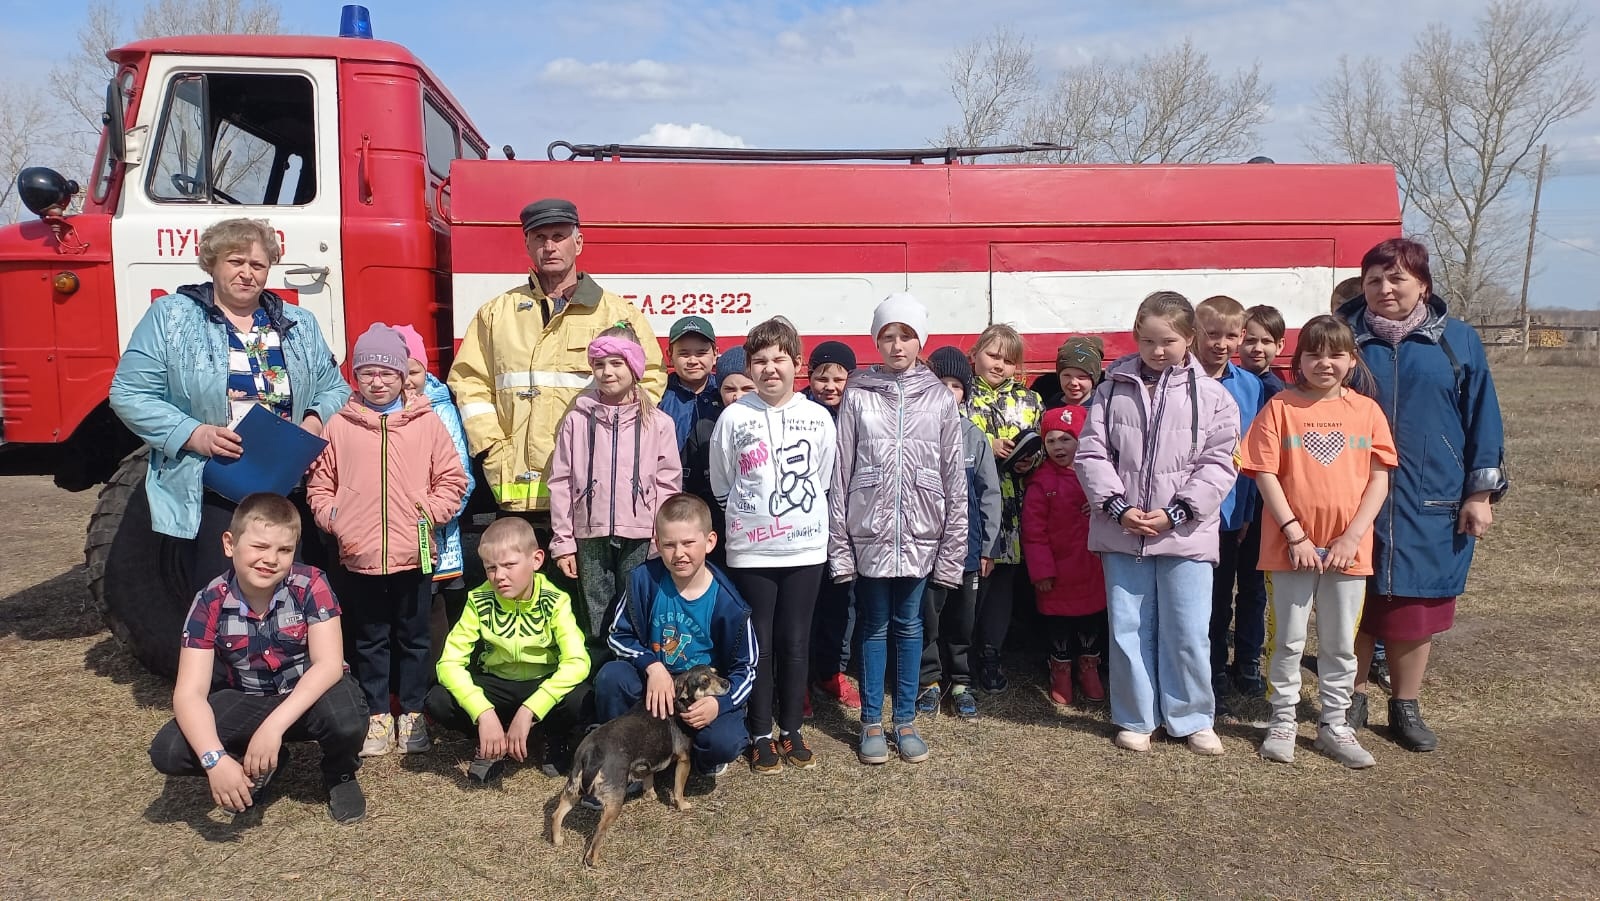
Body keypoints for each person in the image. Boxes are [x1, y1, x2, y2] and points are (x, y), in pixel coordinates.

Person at [108, 217, 349, 600]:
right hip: (214, 483)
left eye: (257, 265)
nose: (247, 274)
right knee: (223, 599)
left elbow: (335, 386)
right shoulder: (172, 317)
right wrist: (193, 434)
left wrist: (315, 420)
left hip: (287, 485)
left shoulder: (299, 323)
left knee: (291, 596)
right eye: (236, 261)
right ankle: (222, 661)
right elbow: (129, 392)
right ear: (213, 262)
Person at [1339, 238, 1506, 752]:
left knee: (1415, 603)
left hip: (1430, 493)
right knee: (1353, 598)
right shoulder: (1344, 339)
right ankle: (1351, 698)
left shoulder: (1457, 340)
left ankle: (1405, 705)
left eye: (1396, 280)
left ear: (1423, 285)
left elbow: (1483, 417)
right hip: (1351, 493)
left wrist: (1480, 493)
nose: (1385, 289)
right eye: (1374, 280)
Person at [1075, 290, 1240, 756]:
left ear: (1190, 338)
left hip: (1186, 533)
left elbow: (1220, 462)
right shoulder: (1111, 389)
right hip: (1122, 531)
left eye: (1168, 340)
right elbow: (1091, 452)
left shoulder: (1214, 397)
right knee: (1129, 628)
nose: (1157, 350)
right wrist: (1117, 507)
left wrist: (1177, 512)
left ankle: (1191, 715)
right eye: (1147, 341)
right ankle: (1136, 716)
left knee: (1187, 628)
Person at [148, 493, 367, 824]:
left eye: (284, 550)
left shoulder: (311, 583)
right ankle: (253, 765)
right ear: (229, 544)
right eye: (259, 547)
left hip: (309, 694)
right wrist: (215, 760)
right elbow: (189, 693)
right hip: (251, 698)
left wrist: (273, 727)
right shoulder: (209, 601)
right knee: (169, 750)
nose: (271, 559)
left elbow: (328, 665)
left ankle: (340, 772)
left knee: (347, 719)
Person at [306, 324, 469, 757]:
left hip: (413, 554)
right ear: (355, 377)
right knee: (368, 636)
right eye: (367, 373)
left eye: (387, 373)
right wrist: (333, 518)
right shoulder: (339, 424)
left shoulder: (426, 423)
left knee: (414, 637)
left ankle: (413, 712)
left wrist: (429, 512)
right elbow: (320, 483)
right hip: (358, 556)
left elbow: (452, 478)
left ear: (403, 376)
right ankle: (377, 713)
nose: (377, 381)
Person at [1242, 315, 1396, 768]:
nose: (1324, 363)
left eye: (1335, 354)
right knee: (1288, 639)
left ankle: (1334, 723)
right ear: (1299, 359)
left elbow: (1379, 480)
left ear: (1351, 360)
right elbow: (1264, 473)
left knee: (1339, 642)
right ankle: (1283, 718)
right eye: (1314, 353)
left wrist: (1352, 537)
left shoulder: (1366, 412)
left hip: (1350, 551)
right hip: (1291, 549)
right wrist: (1295, 534)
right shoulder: (1281, 408)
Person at [448, 198, 665, 513]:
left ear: (578, 242)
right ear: (527, 244)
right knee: (523, 564)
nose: (549, 246)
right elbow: (469, 382)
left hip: (593, 487)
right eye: (540, 237)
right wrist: (491, 446)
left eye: (559, 236)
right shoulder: (496, 313)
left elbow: (650, 377)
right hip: (517, 486)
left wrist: (613, 443)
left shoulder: (617, 313)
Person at [830, 294, 968, 765]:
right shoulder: (858, 392)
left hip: (920, 533)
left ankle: (904, 720)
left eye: (906, 335)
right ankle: (872, 720)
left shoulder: (938, 397)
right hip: (868, 530)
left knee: (911, 626)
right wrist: (840, 548)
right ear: (876, 340)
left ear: (920, 340)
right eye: (887, 335)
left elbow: (954, 477)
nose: (896, 344)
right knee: (873, 626)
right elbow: (840, 472)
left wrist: (952, 551)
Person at [710, 317, 837, 773]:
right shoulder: (733, 416)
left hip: (805, 549)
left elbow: (822, 480)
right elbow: (722, 482)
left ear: (796, 364)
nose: (769, 369)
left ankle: (792, 729)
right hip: (751, 549)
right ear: (749, 366)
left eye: (779, 359)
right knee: (758, 642)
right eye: (759, 361)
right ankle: (760, 731)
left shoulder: (818, 416)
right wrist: (751, 519)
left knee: (795, 640)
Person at [597, 493, 758, 778]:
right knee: (613, 677)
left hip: (701, 689)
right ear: (657, 544)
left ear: (709, 542)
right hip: (656, 683)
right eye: (669, 545)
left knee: (723, 741)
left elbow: (747, 668)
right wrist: (652, 665)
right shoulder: (643, 580)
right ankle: (623, 757)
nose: (678, 553)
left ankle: (700, 762)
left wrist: (718, 704)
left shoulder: (729, 603)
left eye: (688, 543)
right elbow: (616, 635)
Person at [547, 326, 682, 660]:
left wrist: (659, 536)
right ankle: (598, 684)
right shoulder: (576, 420)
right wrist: (563, 541)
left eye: (616, 363)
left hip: (640, 537)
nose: (607, 372)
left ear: (634, 367)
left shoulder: (659, 423)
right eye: (599, 364)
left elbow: (668, 483)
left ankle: (636, 679)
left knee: (638, 612)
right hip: (589, 534)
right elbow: (561, 480)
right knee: (595, 617)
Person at [425, 517, 592, 783]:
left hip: (541, 683)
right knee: (438, 699)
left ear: (536, 560)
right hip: (496, 686)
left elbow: (577, 661)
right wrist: (482, 711)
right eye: (490, 568)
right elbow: (449, 663)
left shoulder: (556, 600)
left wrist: (531, 708)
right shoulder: (478, 599)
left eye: (509, 565)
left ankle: (550, 733)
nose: (499, 576)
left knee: (581, 698)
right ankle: (492, 734)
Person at [917, 346, 1001, 720]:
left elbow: (989, 494)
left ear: (965, 392)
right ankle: (929, 682)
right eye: (940, 383)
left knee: (962, 620)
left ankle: (963, 681)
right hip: (925, 549)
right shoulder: (916, 434)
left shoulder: (974, 437)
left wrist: (987, 547)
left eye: (955, 385)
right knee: (927, 619)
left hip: (966, 551)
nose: (948, 390)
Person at [1195, 295, 1268, 702]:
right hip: (1187, 510)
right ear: (1195, 335)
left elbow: (1249, 452)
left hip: (1229, 511)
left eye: (1230, 335)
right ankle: (1198, 668)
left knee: (1222, 596)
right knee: (1197, 598)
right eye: (1211, 334)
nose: (1220, 344)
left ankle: (1217, 669)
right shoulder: (1179, 379)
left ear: (1241, 337)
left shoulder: (1251, 386)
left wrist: (1244, 513)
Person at [966, 323, 1045, 693]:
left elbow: (1045, 444)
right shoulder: (960, 395)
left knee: (1002, 585)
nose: (999, 365)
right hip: (973, 504)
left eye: (1008, 361)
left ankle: (991, 653)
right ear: (975, 355)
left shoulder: (1030, 401)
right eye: (992, 355)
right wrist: (987, 444)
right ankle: (961, 655)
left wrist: (1033, 458)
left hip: (1015, 504)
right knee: (972, 582)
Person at [1022, 405, 1108, 707]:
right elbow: (1034, 532)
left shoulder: (1097, 477)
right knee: (1059, 626)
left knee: (1091, 623)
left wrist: (1099, 506)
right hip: (1057, 573)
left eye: (1066, 439)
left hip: (1092, 567)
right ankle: (1060, 670)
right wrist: (1041, 571)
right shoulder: (1042, 483)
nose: (1059, 447)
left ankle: (1089, 669)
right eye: (1051, 441)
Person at [392, 323, 476, 624]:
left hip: (436, 528)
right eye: (400, 372)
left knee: (435, 604)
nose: (407, 381)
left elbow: (460, 475)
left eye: (414, 372)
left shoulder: (442, 411)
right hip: (395, 531)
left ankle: (437, 668)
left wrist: (436, 515)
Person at [802, 340, 863, 711]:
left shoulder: (859, 411)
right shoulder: (799, 411)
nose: (830, 386)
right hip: (806, 522)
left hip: (849, 524)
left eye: (839, 378)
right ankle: (802, 678)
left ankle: (832, 671)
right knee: (807, 607)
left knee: (843, 604)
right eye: (822, 377)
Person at [660, 316, 723, 555]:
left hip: (720, 498)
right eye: (684, 353)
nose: (693, 360)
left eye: (701, 352)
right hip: (674, 494)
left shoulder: (727, 391)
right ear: (670, 355)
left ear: (715, 354)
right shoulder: (659, 395)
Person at [1043, 337, 1104, 410]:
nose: (1073, 382)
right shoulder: (1051, 406)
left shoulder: (1101, 406)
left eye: (1081, 377)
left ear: (1094, 379)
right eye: (1067, 375)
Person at [1240, 306, 1288, 399]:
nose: (1258, 348)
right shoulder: (1225, 384)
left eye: (1266, 341)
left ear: (1279, 346)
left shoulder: (1280, 394)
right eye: (1250, 340)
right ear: (1238, 342)